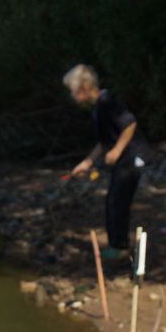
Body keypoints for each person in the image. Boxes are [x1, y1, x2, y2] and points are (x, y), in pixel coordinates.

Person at [63, 65, 148, 256]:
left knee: (117, 200)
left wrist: (117, 150)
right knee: (113, 199)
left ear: (84, 88)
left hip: (132, 157)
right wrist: (87, 162)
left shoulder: (108, 101)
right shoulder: (98, 107)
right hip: (122, 159)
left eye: (72, 91)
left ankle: (120, 247)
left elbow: (130, 124)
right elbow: (104, 142)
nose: (71, 96)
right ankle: (116, 244)